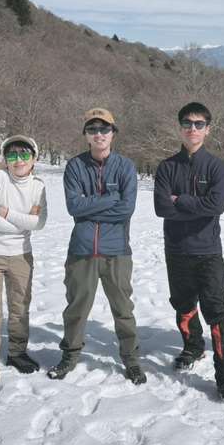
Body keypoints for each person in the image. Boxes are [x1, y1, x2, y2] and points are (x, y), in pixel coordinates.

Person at [47, 108, 146, 385]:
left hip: (117, 251)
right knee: (76, 309)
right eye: (93, 129)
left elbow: (126, 209)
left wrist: (90, 206)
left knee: (123, 309)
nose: (99, 134)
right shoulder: (75, 166)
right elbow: (74, 207)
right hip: (82, 251)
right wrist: (110, 198)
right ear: (86, 135)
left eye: (104, 129)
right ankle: (69, 356)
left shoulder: (125, 166)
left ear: (113, 133)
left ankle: (131, 359)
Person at [154, 102, 224, 401]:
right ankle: (193, 347)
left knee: (217, 311)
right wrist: (195, 205)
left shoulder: (216, 166)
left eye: (199, 124)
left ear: (207, 129)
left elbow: (217, 206)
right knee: (183, 304)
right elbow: (161, 208)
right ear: (180, 127)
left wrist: (181, 200)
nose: (193, 128)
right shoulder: (167, 167)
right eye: (187, 123)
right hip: (176, 249)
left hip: (208, 251)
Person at [0, 134, 48, 407]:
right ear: (5, 159)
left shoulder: (38, 186)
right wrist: (24, 222)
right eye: (12, 155)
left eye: (24, 154)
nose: (18, 160)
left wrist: (8, 214)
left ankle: (17, 352)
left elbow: (40, 223)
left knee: (20, 309)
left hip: (21, 256)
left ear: (34, 159)